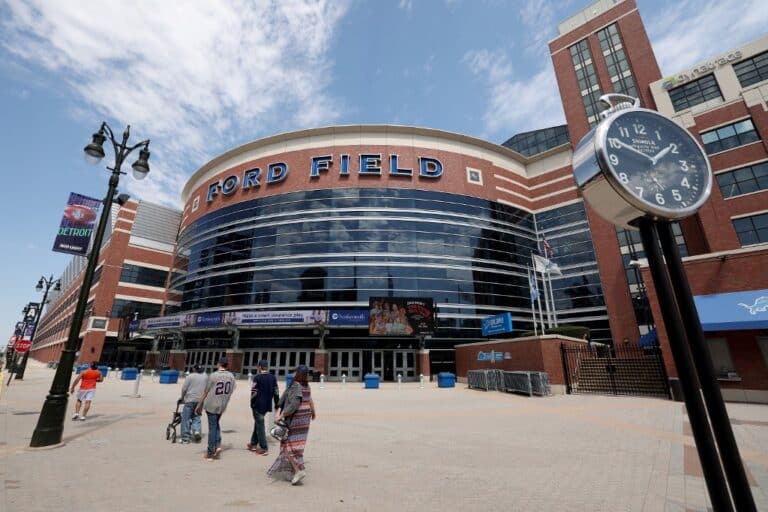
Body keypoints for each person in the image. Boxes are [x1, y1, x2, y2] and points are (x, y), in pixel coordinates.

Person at [268, 365, 316, 485]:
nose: (293, 373)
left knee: (287, 445)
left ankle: (297, 470)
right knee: (297, 444)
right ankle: (294, 471)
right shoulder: (306, 385)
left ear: (298, 373)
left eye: (295, 371)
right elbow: (309, 400)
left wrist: (281, 415)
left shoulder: (296, 386)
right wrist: (313, 412)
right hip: (305, 418)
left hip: (296, 418)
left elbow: (294, 404)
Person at [196, 357, 236, 461]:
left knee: (212, 428)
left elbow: (206, 392)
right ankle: (218, 445)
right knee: (216, 424)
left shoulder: (213, 375)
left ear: (219, 364)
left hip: (212, 404)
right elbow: (232, 390)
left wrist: (199, 405)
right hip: (222, 404)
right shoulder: (231, 376)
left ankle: (210, 453)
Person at [248, 359, 279, 455]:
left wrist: (252, 403)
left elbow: (254, 392)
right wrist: (277, 404)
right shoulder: (273, 377)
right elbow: (276, 392)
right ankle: (253, 444)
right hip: (267, 405)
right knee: (258, 422)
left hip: (258, 405)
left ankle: (263, 447)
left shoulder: (257, 377)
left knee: (260, 425)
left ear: (259, 367)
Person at [179, 364, 207, 444]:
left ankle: (185, 438)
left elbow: (184, 388)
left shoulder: (190, 376)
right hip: (200, 400)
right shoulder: (205, 376)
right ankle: (197, 431)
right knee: (197, 416)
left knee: (186, 419)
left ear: (194, 369)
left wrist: (182, 398)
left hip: (190, 400)